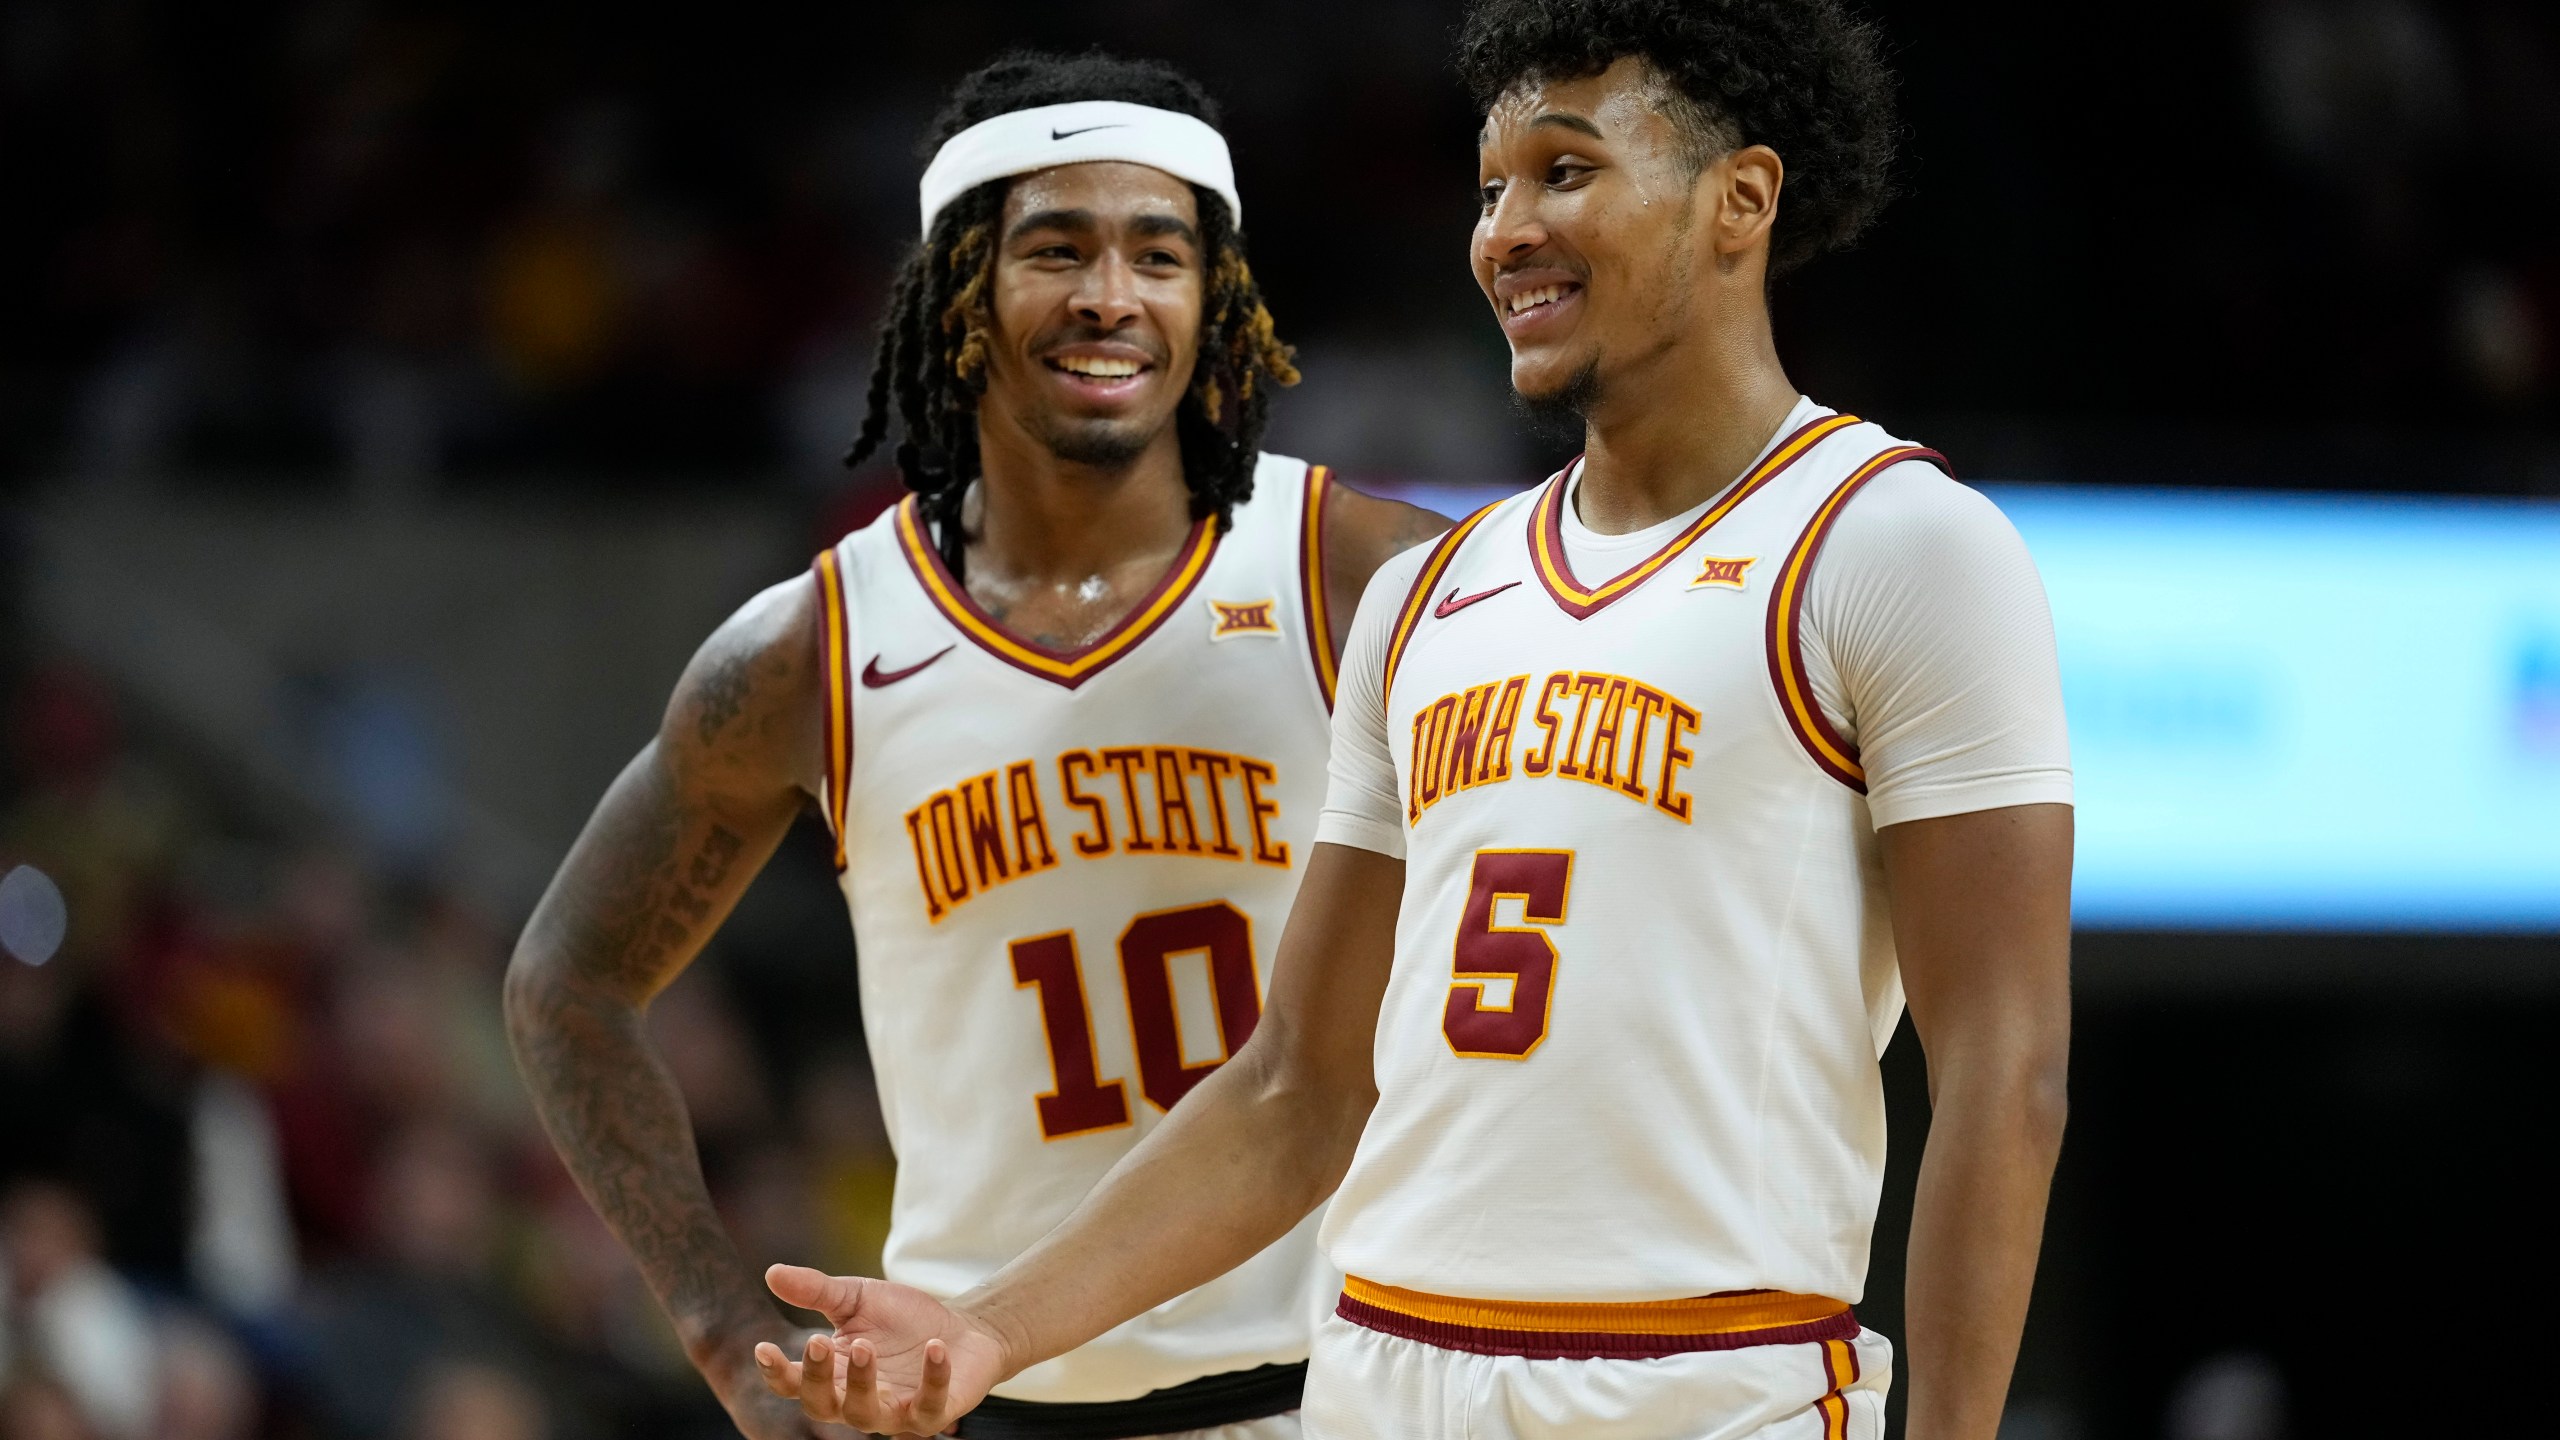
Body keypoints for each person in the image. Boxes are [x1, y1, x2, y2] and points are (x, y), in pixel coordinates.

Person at [752, 3, 2075, 1438]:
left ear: (1740, 200)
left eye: (1565, 172)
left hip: (1702, 1386)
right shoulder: (1432, 593)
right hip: (1379, 1377)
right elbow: (1293, 1090)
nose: (1504, 230)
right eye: (1490, 186)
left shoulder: (1899, 546)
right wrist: (983, 1328)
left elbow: (2007, 1079)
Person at [501, 49, 1445, 1440]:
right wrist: (719, 1327)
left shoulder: (1359, 580)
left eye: (1158, 254)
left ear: (1213, 294)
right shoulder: (813, 649)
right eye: (1055, 249)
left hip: (1338, 1390)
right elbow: (565, 985)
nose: (1109, 296)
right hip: (973, 1398)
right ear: (962, 291)